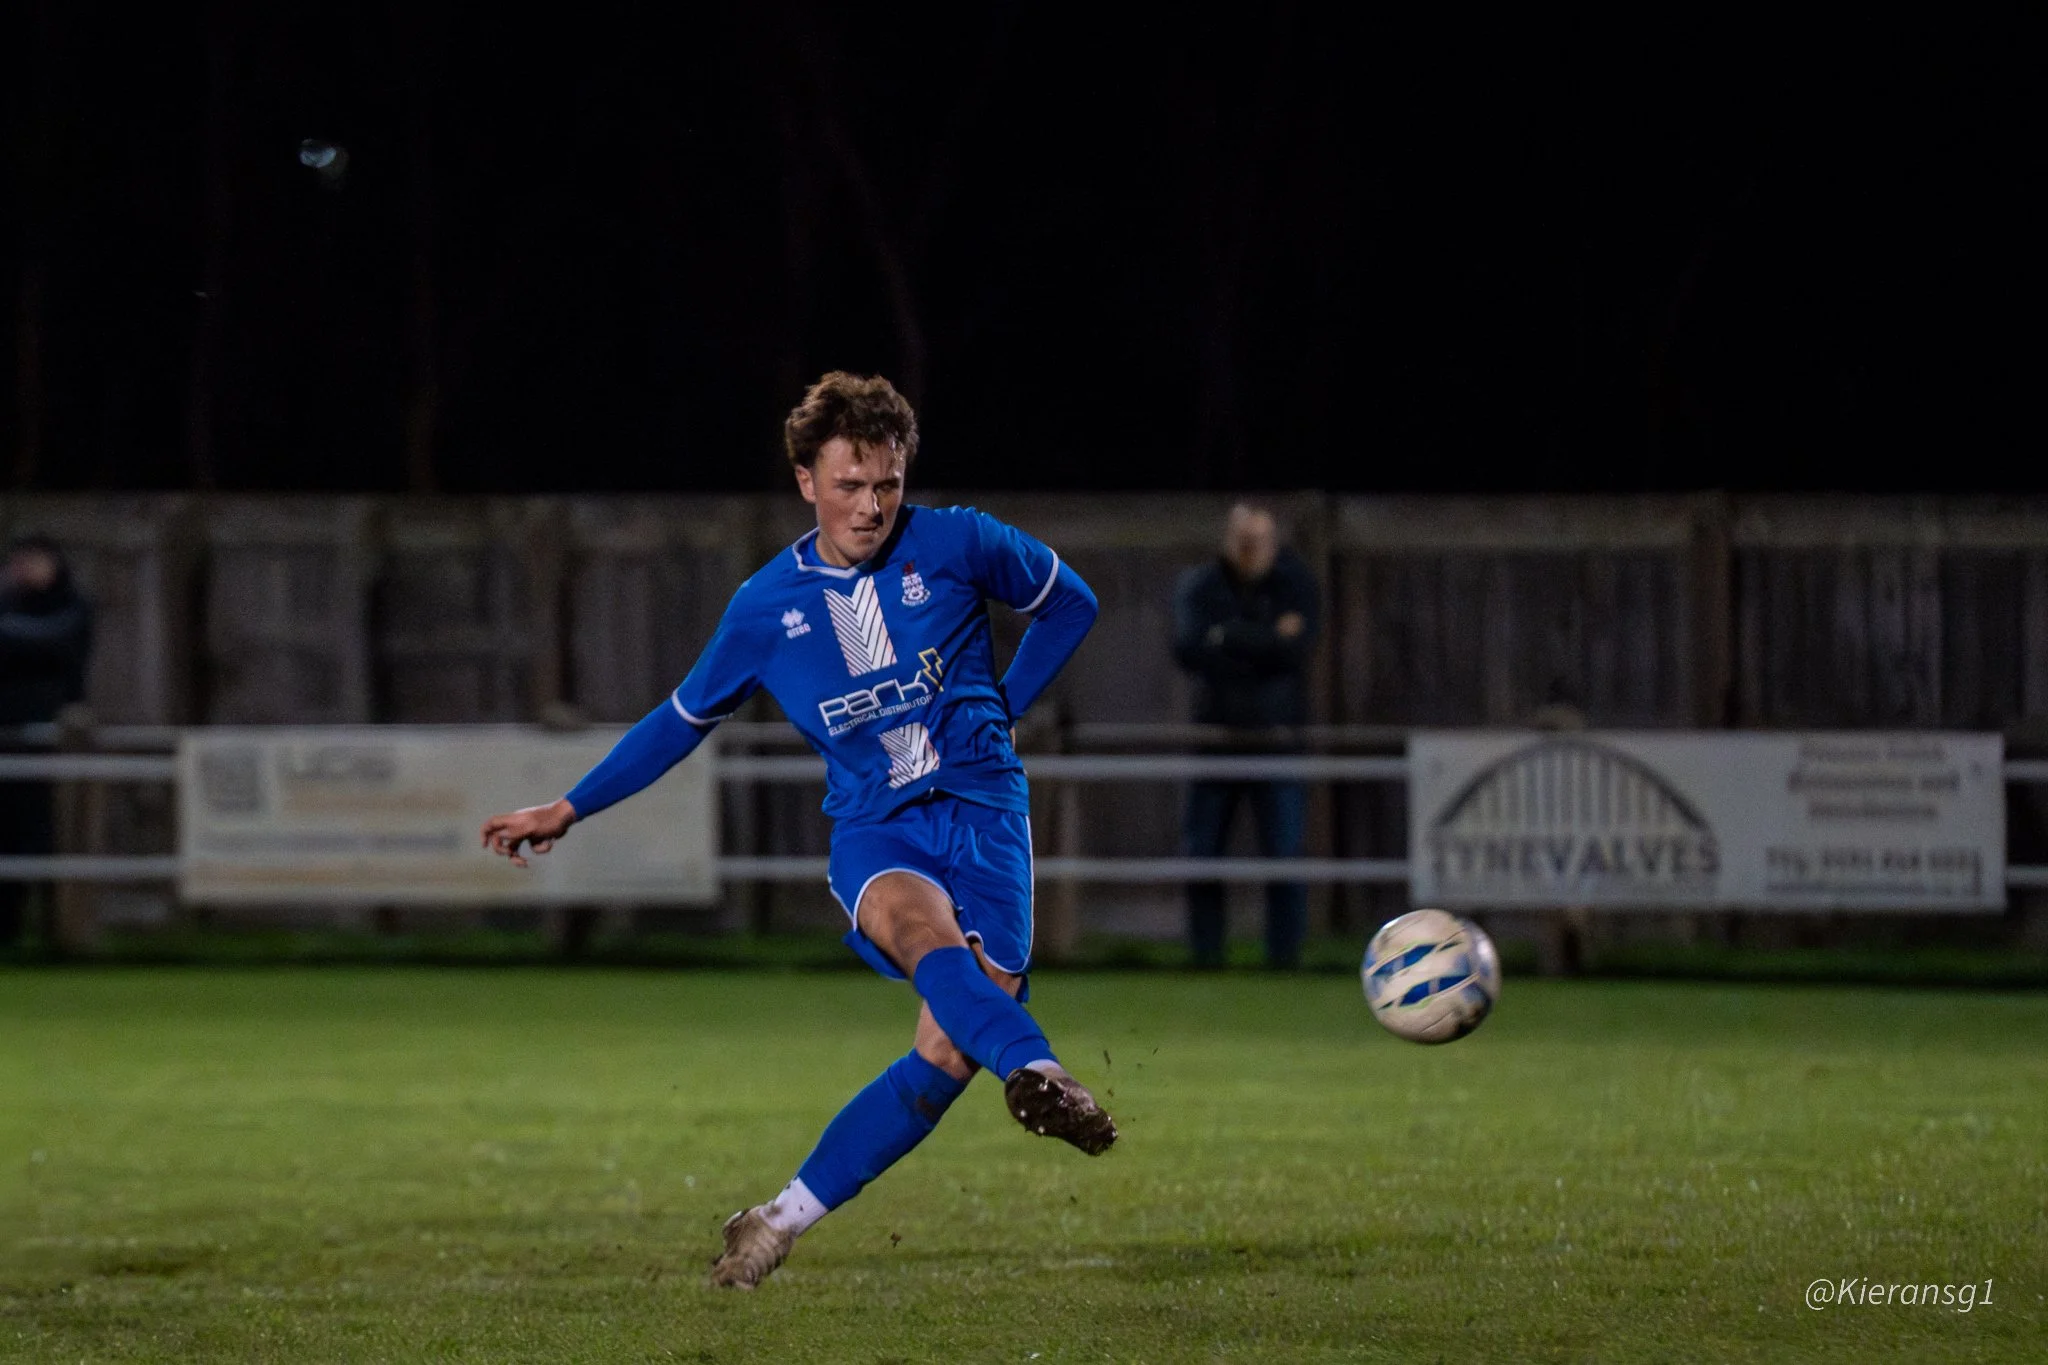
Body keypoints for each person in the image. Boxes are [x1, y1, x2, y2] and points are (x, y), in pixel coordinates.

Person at [481, 373, 1113, 1289]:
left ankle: (776, 1219)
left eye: (887, 483)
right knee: (921, 931)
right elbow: (679, 720)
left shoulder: (960, 541)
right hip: (877, 830)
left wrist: (1003, 705)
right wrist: (567, 806)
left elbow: (1073, 603)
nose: (870, 505)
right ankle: (1042, 1067)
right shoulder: (764, 609)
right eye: (849, 484)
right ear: (806, 481)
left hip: (986, 815)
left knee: (944, 1052)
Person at [1171, 504, 1321, 969]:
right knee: (1204, 855)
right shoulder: (1200, 585)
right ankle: (1206, 957)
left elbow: (1297, 651)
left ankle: (1284, 961)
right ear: (1227, 540)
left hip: (1277, 740)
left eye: (1260, 541)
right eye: (1243, 539)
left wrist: (1228, 637)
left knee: (1284, 855)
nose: (1251, 550)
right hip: (1215, 739)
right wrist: (1267, 640)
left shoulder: (1296, 583)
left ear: (1275, 543)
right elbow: (1188, 649)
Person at [0, 536, 94, 947]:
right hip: (5, 737)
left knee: (48, 835)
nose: (27, 569)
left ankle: (58, 932)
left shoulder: (73, 605)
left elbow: (58, 642)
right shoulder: (8, 602)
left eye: (34, 561)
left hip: (52, 742)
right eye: (20, 562)